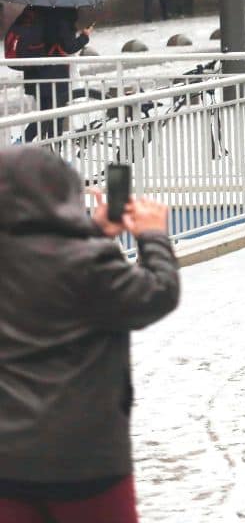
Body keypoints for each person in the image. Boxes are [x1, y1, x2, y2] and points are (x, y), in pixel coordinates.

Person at [0, 146, 180, 523]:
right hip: (84, 458)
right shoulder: (89, 262)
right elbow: (156, 293)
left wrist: (94, 233)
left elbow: (42, 272)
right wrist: (152, 236)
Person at [4, 7, 92, 142]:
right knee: (56, 116)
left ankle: (25, 143)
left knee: (44, 115)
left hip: (34, 73)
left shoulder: (33, 9)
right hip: (54, 75)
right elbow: (69, 46)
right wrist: (85, 36)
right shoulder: (62, 15)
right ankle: (48, 148)